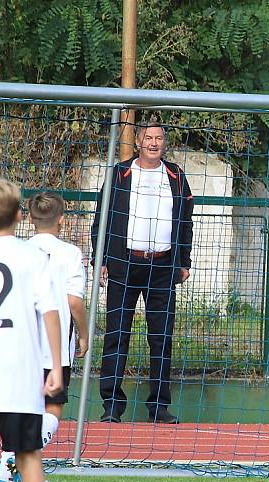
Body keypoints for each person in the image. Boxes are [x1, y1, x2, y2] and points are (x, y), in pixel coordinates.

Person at [0, 178, 80, 482]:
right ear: (19, 215)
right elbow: (52, 312)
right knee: (28, 457)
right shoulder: (31, 257)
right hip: (18, 375)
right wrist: (56, 365)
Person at [92, 121, 194, 425]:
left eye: (158, 138)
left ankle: (159, 406)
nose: (153, 142)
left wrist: (183, 261)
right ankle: (111, 406)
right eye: (148, 137)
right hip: (124, 266)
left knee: (161, 338)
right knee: (117, 335)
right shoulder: (119, 174)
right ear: (138, 141)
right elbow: (101, 220)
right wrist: (102, 260)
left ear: (164, 143)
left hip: (163, 268)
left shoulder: (176, 176)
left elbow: (187, 221)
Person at [0, 192, 88, 482]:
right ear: (62, 219)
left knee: (18, 409)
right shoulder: (71, 253)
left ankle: (7, 477)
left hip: (20, 344)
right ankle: (14, 467)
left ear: (30, 218)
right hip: (54, 344)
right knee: (53, 408)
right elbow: (73, 302)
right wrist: (85, 334)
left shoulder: (19, 251)